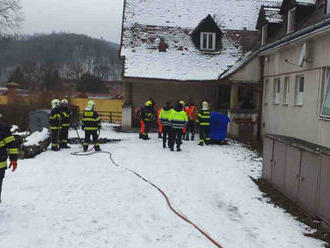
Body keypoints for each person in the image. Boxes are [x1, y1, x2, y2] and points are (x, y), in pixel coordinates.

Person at [0, 114, 18, 203]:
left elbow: (11, 145)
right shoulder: (4, 127)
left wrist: (13, 159)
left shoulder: (3, 128)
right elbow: (12, 145)